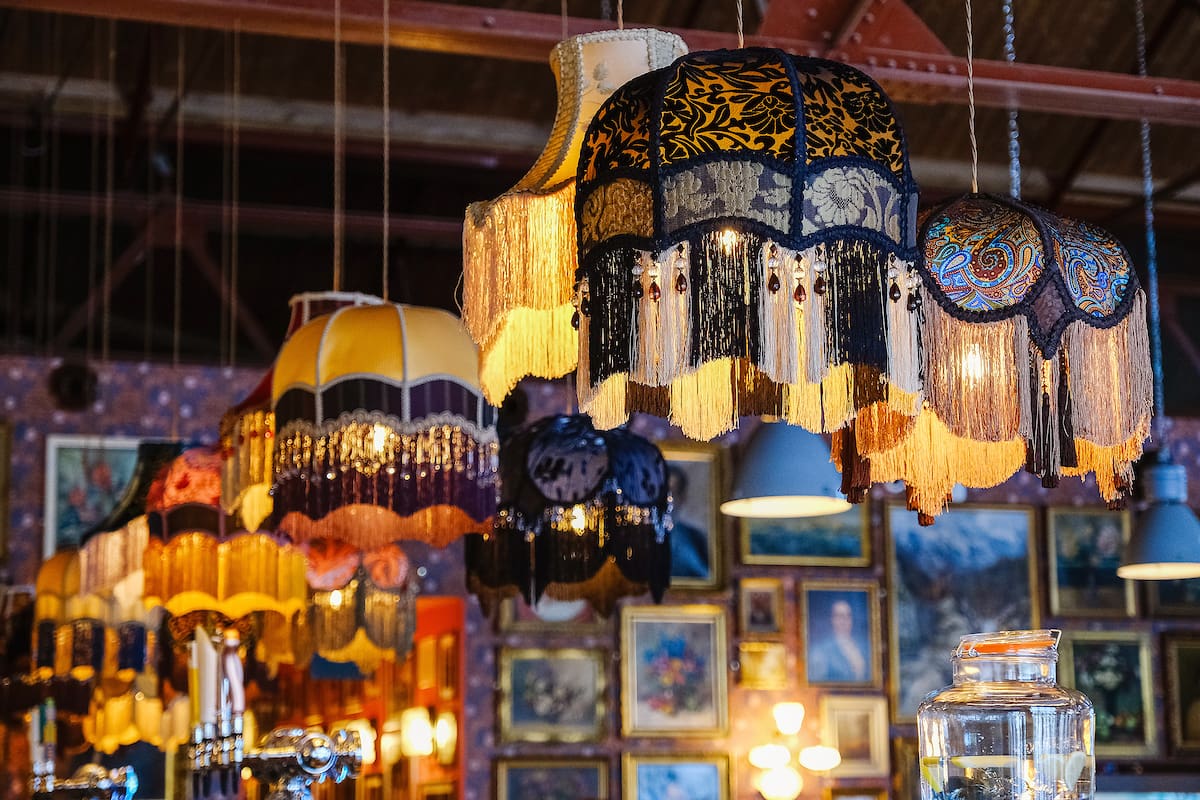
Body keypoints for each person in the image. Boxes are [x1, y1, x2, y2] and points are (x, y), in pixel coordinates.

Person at [808, 598, 869, 683]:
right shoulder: (821, 650)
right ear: (832, 619)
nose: (845, 620)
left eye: (848, 616)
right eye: (840, 616)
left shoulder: (863, 646)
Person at [667, 465, 709, 579]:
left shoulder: (695, 537)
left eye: (671, 494)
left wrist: (692, 564)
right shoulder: (637, 537)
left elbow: (709, 578)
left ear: (682, 498)